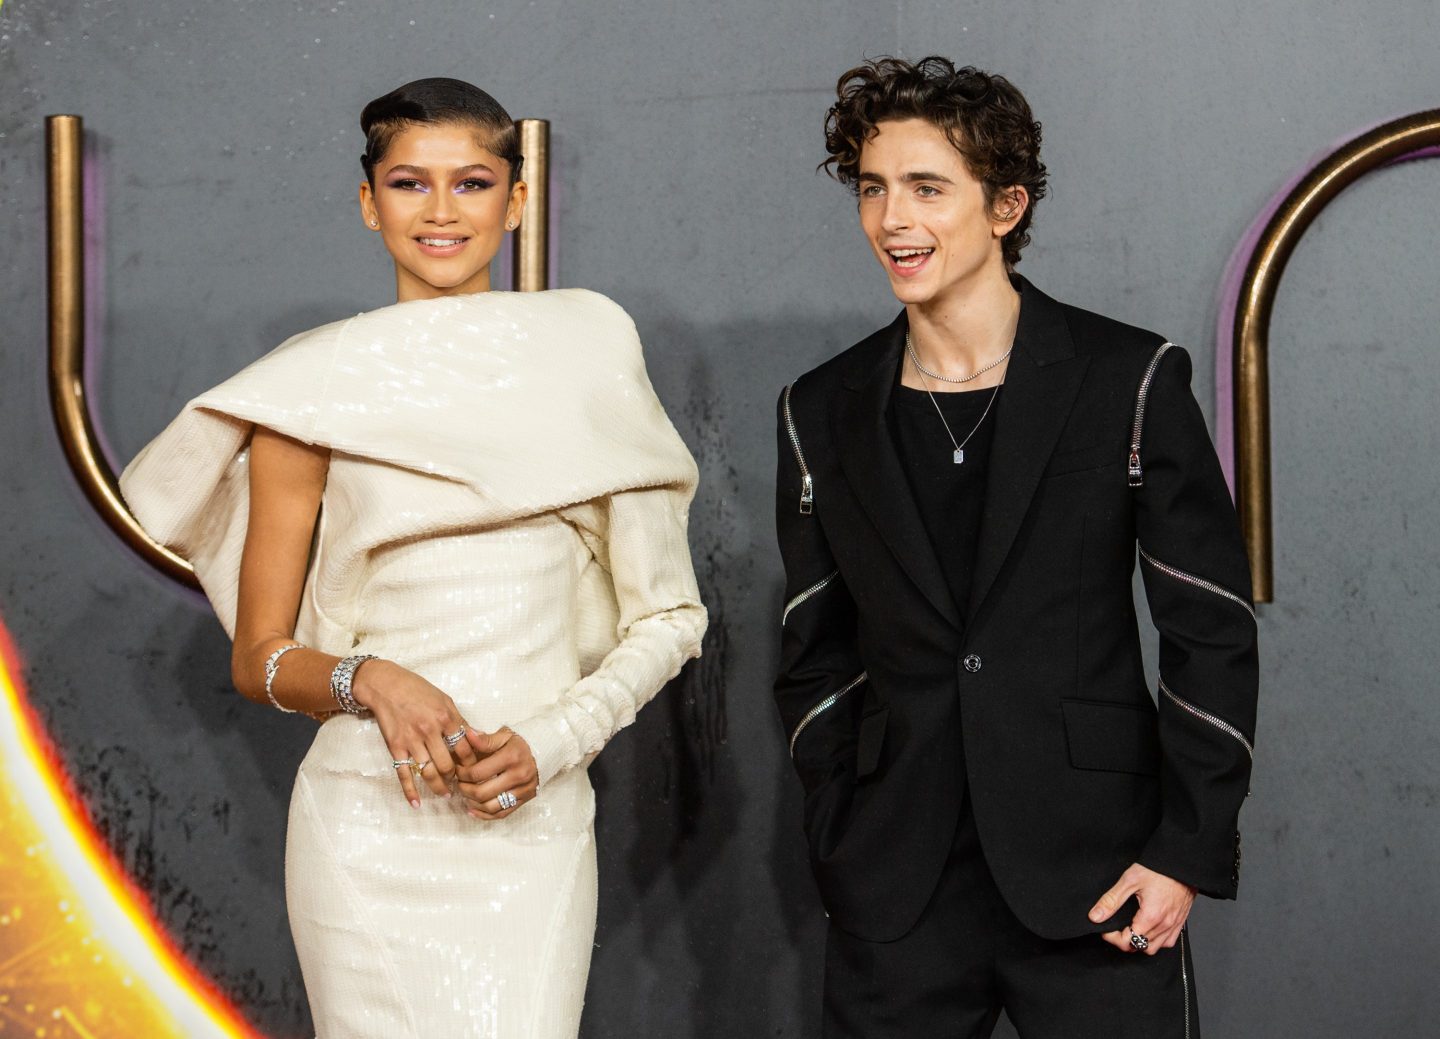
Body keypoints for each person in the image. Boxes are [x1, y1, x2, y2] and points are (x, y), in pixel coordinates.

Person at [121, 77, 706, 1037]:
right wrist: (369, 679)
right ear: (368, 202)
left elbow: (671, 615)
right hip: (362, 827)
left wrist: (552, 743)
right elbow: (259, 657)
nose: (441, 213)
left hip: (531, 819)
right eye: (409, 184)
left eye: (472, 183)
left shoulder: (588, 350)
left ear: (516, 200)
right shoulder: (307, 388)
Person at [773, 57, 1257, 1038]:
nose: (891, 218)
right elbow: (811, 645)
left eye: (926, 188)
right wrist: (843, 830)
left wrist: (1184, 850)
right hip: (894, 879)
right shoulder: (819, 407)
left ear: (1005, 206)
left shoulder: (1128, 378)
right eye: (873, 188)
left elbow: (1210, 631)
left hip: (1100, 874)